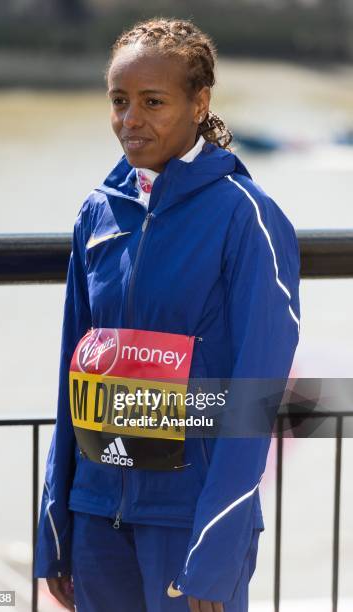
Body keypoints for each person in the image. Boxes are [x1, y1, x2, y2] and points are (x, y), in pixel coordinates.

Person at [34, 17, 300, 612]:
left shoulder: (245, 218)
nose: (131, 120)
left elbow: (256, 398)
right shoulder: (98, 214)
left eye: (153, 102)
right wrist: (56, 531)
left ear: (199, 102)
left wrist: (216, 549)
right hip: (98, 518)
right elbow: (71, 380)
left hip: (190, 525)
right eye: (119, 101)